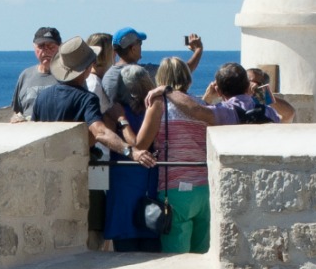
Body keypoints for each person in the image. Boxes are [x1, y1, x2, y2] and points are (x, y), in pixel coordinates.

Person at [143, 55, 236, 254]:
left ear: (161, 79)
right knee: (202, 256)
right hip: (205, 188)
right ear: (187, 78)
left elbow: (141, 143)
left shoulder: (160, 105)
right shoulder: (201, 107)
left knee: (176, 260)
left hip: (175, 190)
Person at [98, 27, 207, 148]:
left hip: (120, 145)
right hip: (145, 141)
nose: (141, 46)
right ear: (133, 48)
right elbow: (182, 72)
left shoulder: (108, 77)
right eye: (140, 43)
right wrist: (198, 50)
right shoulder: (143, 73)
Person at [11, 27, 64, 114]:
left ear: (60, 47)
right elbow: (17, 111)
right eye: (41, 46)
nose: (46, 51)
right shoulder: (25, 76)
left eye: (51, 47)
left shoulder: (69, 76)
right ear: (34, 47)